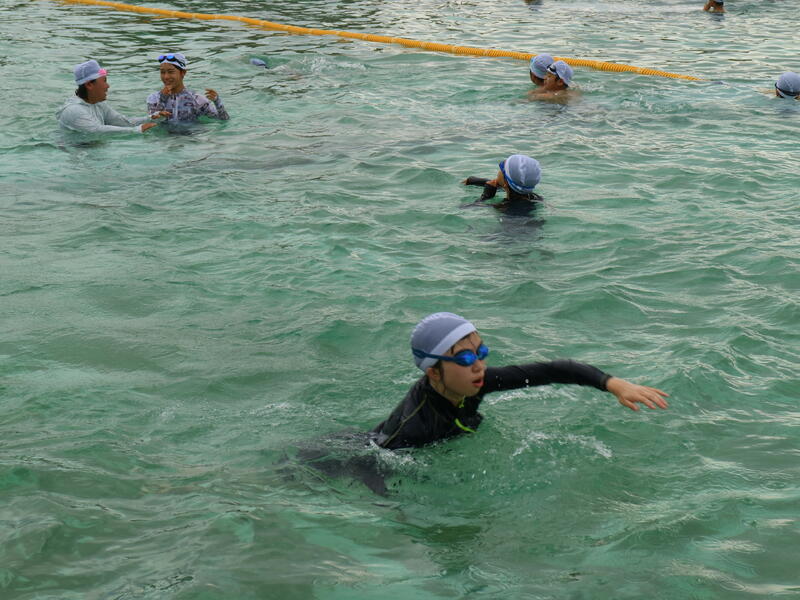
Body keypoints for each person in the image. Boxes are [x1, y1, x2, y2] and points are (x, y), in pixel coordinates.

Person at [370, 312, 668, 450]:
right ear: (433, 372)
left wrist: (614, 384)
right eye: (465, 359)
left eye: (481, 352)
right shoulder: (412, 428)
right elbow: (380, 466)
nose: (479, 366)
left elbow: (552, 370)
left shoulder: (477, 381)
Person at [56, 59, 157, 134]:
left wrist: (151, 118)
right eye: (104, 81)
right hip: (75, 152)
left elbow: (122, 122)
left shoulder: (98, 104)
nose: (107, 86)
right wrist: (136, 130)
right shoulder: (74, 110)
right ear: (89, 85)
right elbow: (97, 130)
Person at [146, 53, 230, 122]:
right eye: (162, 72)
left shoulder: (197, 100)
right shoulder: (154, 98)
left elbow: (223, 120)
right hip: (165, 137)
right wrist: (163, 98)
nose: (166, 77)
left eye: (171, 72)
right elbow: (151, 121)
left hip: (193, 135)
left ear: (183, 73)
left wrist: (217, 102)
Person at [464, 154, 543, 215]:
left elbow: (465, 208)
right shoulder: (535, 197)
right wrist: (473, 181)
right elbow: (510, 186)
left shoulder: (503, 207)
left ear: (505, 183)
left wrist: (485, 196)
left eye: (501, 167)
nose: (499, 170)